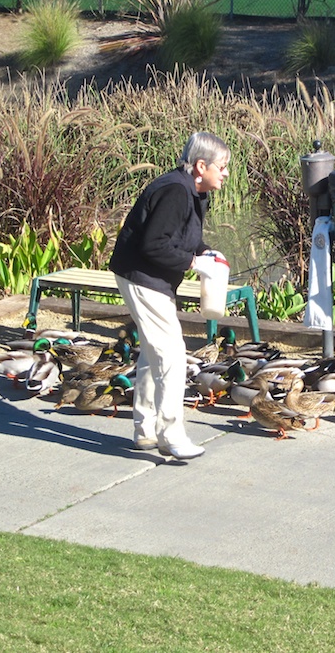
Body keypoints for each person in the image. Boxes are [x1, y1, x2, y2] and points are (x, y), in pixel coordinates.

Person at [109, 131, 230, 459]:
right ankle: (171, 434)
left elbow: (183, 236)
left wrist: (207, 252)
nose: (226, 172)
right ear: (201, 165)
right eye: (222, 166)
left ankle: (145, 431)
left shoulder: (194, 191)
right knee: (173, 356)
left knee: (152, 353)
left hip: (151, 278)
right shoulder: (176, 190)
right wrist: (194, 263)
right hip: (142, 277)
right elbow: (153, 244)